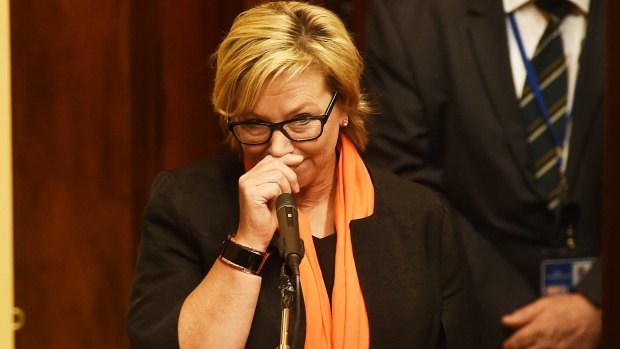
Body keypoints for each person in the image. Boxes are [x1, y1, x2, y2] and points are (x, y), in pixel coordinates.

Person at [126, 2, 480, 348]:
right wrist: (248, 243)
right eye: (254, 124)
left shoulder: (420, 218)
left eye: (300, 121)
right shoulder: (184, 204)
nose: (278, 148)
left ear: (345, 107)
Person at [362, 0, 603, 348]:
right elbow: (406, 184)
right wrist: (521, 321)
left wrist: (599, 301)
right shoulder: (412, 18)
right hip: (477, 317)